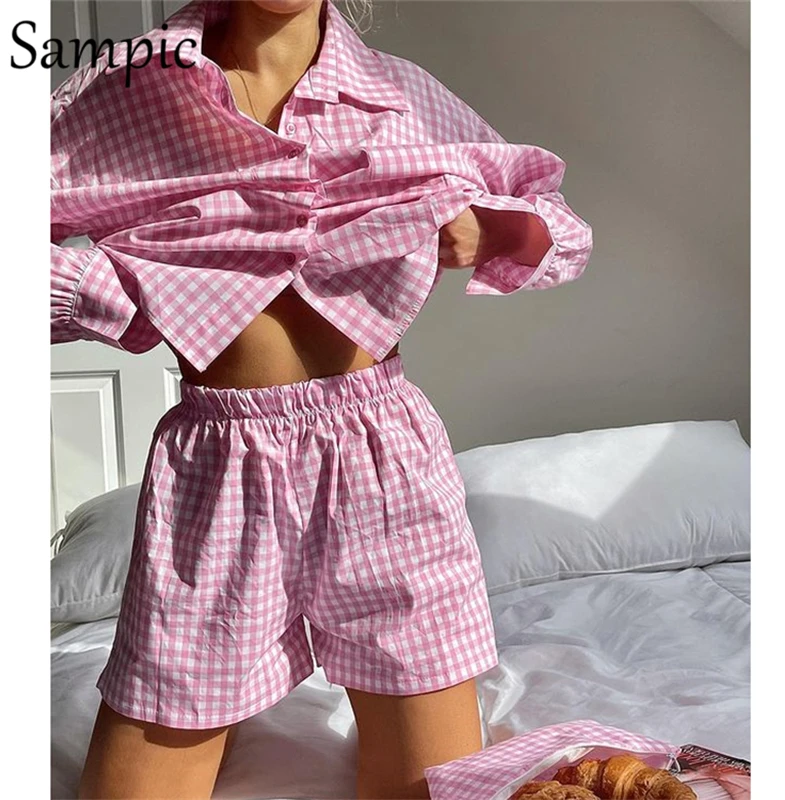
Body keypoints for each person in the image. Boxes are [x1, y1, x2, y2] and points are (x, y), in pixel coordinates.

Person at [51, 0, 593, 797]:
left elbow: (562, 224)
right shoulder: (128, 91)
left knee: (428, 789)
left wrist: (498, 229)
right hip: (219, 465)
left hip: (384, 455)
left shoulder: (401, 98)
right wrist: (113, 289)